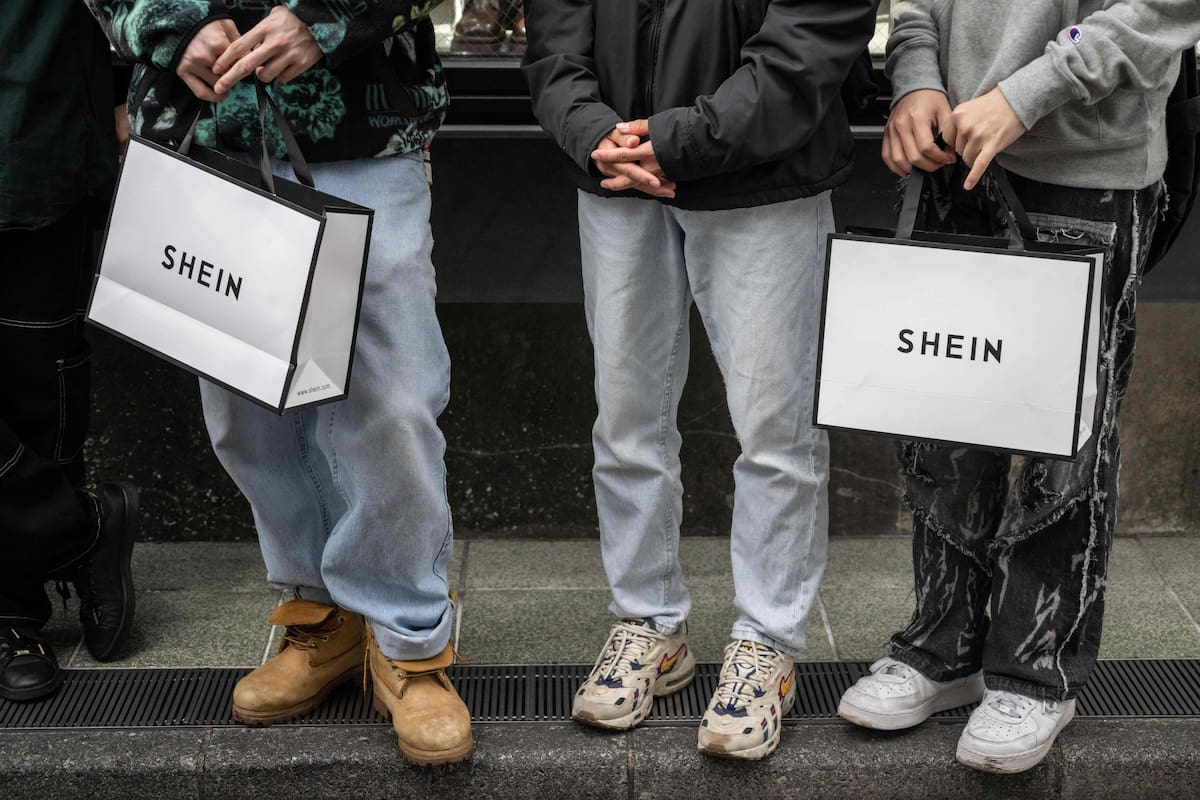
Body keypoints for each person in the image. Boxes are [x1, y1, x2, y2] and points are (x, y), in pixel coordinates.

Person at [84, 0, 472, 766]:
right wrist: (169, 25)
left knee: (393, 398)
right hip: (205, 124)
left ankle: (409, 639)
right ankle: (322, 615)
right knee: (248, 411)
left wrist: (323, 18)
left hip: (362, 121)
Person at [837, 0, 1200, 774]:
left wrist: (1026, 92)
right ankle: (943, 647)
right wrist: (914, 81)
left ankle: (1036, 672)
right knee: (941, 419)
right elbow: (916, 6)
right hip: (952, 159)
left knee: (1062, 441)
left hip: (1083, 167)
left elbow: (1162, 8)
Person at [524, 0, 878, 760]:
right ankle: (648, 621)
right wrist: (591, 130)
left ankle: (767, 639)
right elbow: (555, 31)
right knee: (626, 417)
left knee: (775, 426)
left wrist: (673, 140)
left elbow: (811, 39)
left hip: (764, 176)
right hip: (619, 172)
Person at [0, 2, 140, 701]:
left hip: (38, 121)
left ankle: (11, 608)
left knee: (35, 376)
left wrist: (128, 89)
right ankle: (77, 530)